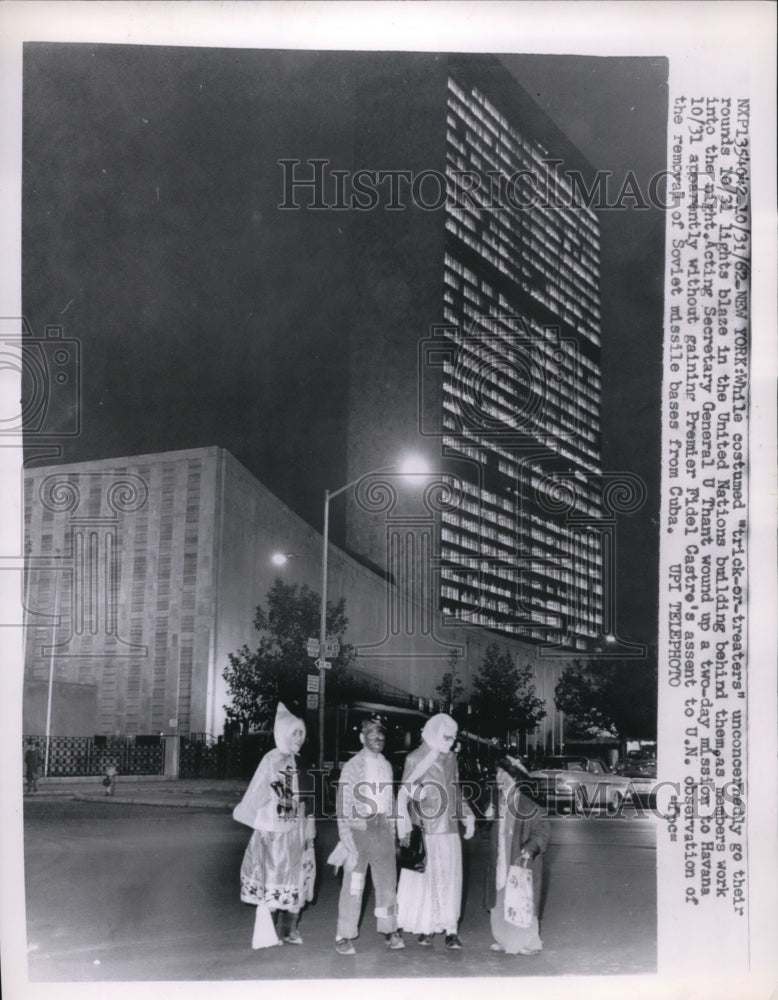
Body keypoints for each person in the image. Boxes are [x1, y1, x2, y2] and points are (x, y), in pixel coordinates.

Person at [232, 703, 316, 948]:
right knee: (273, 879)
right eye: (294, 733)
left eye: (301, 733)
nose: (299, 738)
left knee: (299, 877)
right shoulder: (272, 759)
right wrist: (254, 820)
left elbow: (309, 797)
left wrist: (310, 825)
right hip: (274, 832)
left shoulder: (302, 762)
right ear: (283, 733)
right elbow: (257, 790)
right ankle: (269, 931)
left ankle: (290, 929)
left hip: (298, 829)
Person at [396, 713, 475, 949]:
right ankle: (427, 927)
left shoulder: (451, 758)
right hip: (426, 829)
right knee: (427, 881)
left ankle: (451, 929)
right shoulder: (415, 758)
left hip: (449, 829)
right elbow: (405, 790)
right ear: (434, 732)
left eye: (453, 737)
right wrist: (420, 795)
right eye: (446, 736)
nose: (450, 741)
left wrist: (467, 816)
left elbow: (456, 790)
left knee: (451, 879)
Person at [331, 717, 405, 955]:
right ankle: (344, 935)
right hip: (359, 831)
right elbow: (342, 805)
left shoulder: (386, 765)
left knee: (387, 884)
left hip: (382, 830)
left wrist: (393, 833)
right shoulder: (352, 766)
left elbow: (391, 802)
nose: (378, 739)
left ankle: (389, 930)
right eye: (372, 735)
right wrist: (346, 839)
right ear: (362, 738)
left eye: (381, 735)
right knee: (354, 885)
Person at [483, 752, 550, 955]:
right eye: (498, 773)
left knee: (522, 899)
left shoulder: (529, 806)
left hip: (520, 859)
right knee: (501, 897)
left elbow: (542, 831)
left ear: (517, 779)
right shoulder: (497, 803)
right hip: (501, 857)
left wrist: (530, 848)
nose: (500, 777)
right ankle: (504, 938)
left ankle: (529, 941)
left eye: (506, 774)